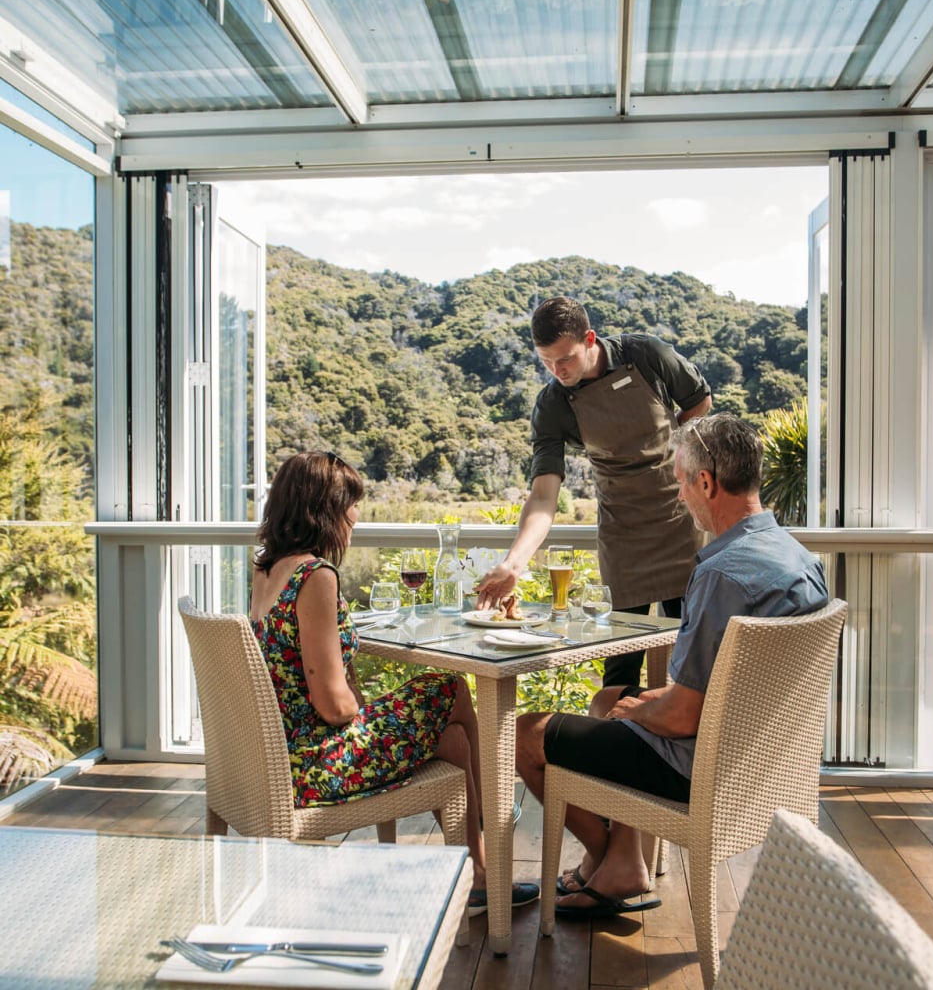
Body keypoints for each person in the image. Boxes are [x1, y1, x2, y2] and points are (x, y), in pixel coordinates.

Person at [514, 414, 829, 917]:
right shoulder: (799, 559)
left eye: (681, 482)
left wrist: (638, 712)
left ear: (707, 482)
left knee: (526, 735)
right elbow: (711, 695)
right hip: (761, 759)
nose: (680, 495)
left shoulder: (722, 574)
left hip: (699, 768)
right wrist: (637, 706)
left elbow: (682, 717)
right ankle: (623, 861)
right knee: (605, 699)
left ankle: (605, 857)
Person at [249, 450, 538, 917]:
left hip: (284, 755)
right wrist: (371, 712)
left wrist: (375, 708)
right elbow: (334, 706)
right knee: (449, 687)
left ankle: (480, 879)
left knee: (456, 739)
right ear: (323, 510)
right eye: (349, 505)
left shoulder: (265, 572)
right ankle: (492, 811)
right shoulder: (314, 576)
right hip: (320, 764)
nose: (355, 517)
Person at [476, 296, 713, 687]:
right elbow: (542, 496)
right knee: (620, 662)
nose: (557, 370)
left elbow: (699, 402)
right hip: (623, 534)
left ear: (590, 338)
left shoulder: (647, 354)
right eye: (546, 361)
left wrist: (683, 457)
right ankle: (617, 740)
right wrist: (514, 564)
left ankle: (685, 745)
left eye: (565, 358)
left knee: (691, 656)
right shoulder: (553, 404)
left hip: (680, 519)